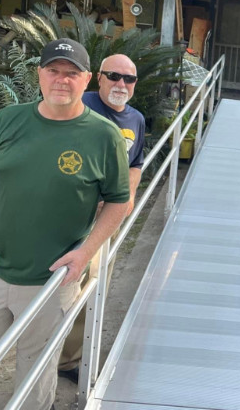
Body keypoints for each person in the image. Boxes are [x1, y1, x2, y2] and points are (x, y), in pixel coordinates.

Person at [0, 38, 130, 410]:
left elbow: (118, 202)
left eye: (71, 73)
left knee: (35, 381)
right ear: (39, 75)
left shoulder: (104, 136)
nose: (61, 80)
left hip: (52, 281)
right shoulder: (7, 121)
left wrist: (85, 254)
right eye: (53, 71)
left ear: (88, 80)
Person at [57, 53, 145, 382]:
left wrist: (130, 195)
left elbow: (135, 163)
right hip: (71, 215)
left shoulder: (136, 119)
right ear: (99, 78)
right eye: (114, 76)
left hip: (106, 222)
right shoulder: (81, 105)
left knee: (93, 288)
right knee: (60, 287)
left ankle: (69, 361)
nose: (121, 84)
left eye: (129, 79)